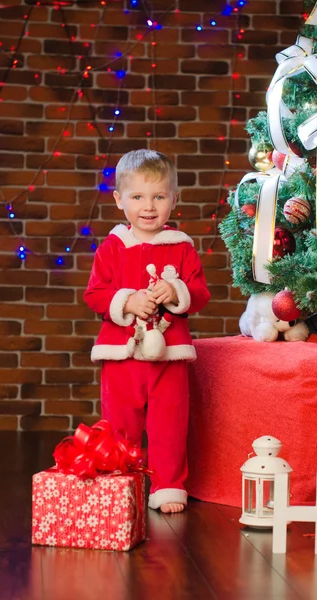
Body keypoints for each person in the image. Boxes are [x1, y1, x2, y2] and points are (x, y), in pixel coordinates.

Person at [84, 149, 210, 513]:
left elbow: (199, 293)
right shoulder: (111, 248)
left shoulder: (183, 249)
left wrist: (177, 292)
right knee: (121, 424)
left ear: (174, 199)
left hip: (169, 354)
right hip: (122, 354)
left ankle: (168, 486)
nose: (148, 206)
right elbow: (94, 294)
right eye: (137, 196)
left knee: (169, 424)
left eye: (158, 196)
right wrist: (126, 302)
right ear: (119, 200)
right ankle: (122, 483)